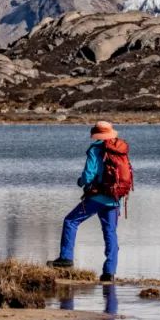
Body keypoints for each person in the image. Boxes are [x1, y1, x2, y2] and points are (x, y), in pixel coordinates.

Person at [48, 121, 132, 282]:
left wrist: (80, 182)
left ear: (97, 134)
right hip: (114, 198)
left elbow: (88, 175)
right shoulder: (120, 149)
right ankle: (109, 272)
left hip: (96, 197)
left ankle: (66, 259)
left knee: (70, 221)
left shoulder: (95, 149)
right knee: (110, 233)